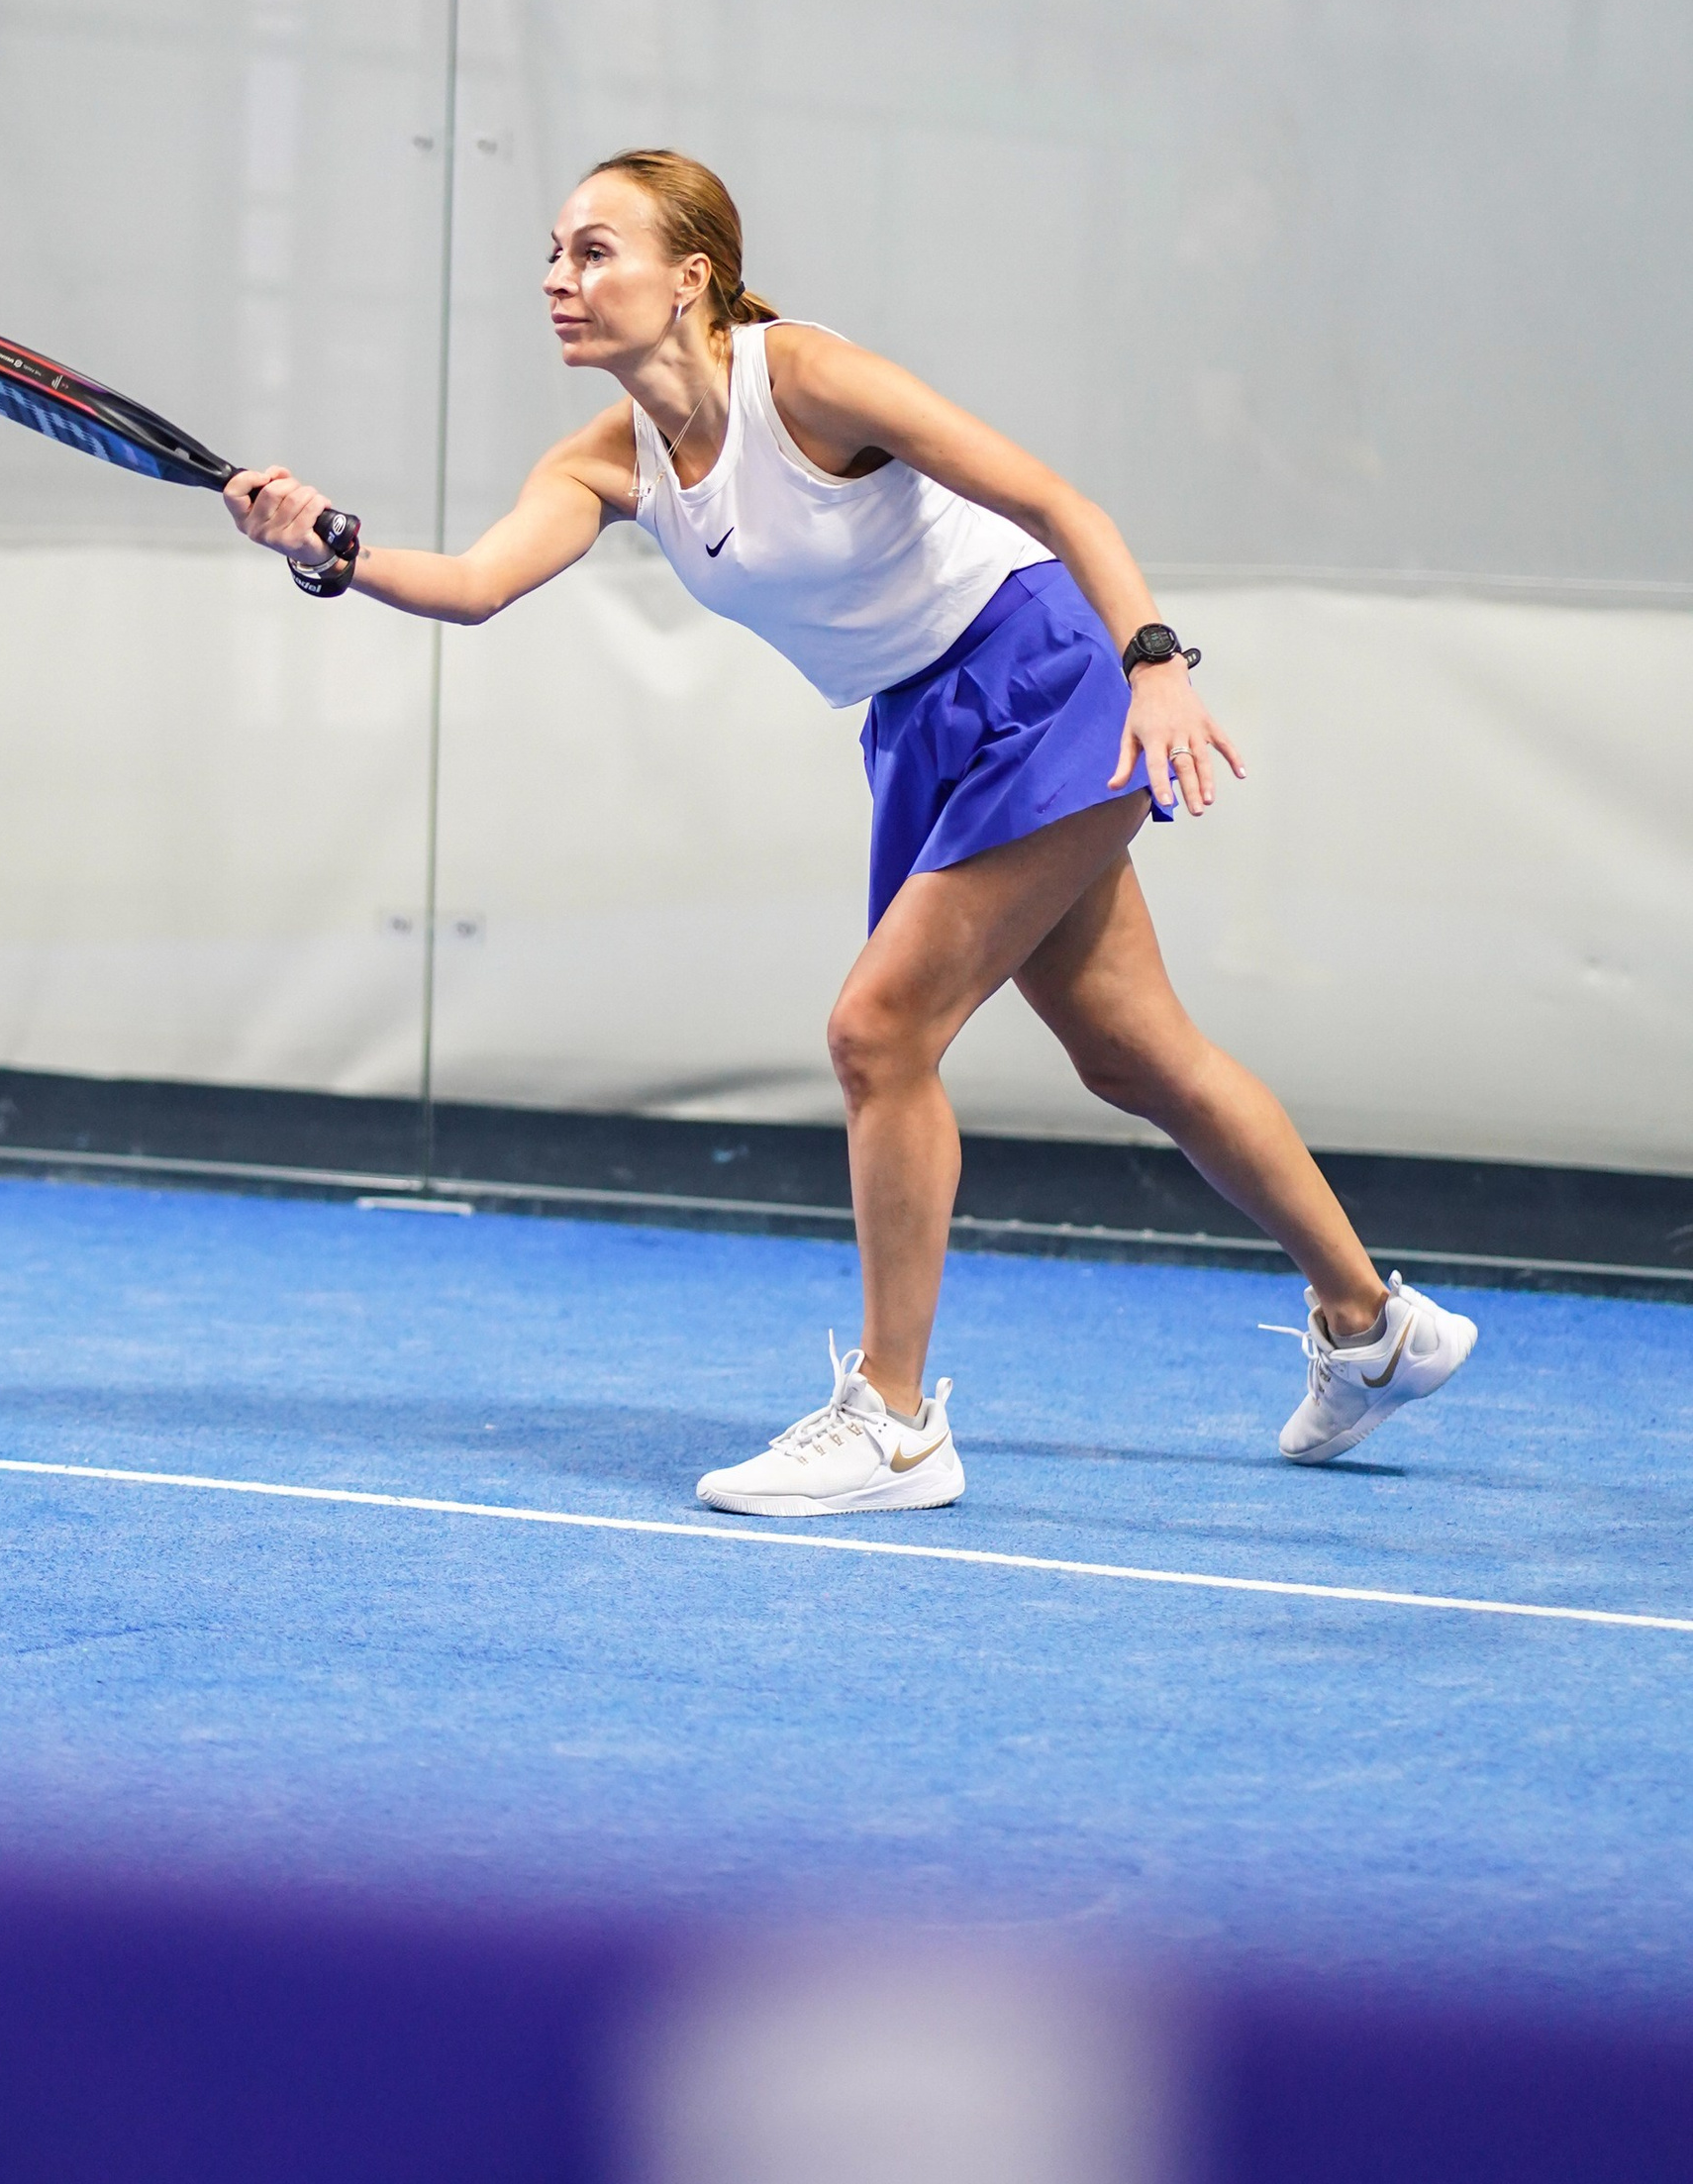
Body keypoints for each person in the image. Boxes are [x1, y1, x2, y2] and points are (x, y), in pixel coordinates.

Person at [224, 149, 1475, 1517]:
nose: (557, 280)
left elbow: (1056, 502)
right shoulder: (605, 459)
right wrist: (326, 548)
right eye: (553, 254)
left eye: (593, 252)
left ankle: (894, 1423)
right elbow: (473, 584)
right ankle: (1373, 1327)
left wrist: (1155, 662)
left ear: (690, 278)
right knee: (1135, 1053)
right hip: (919, 723)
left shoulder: (805, 379)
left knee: (877, 1033)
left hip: (1042, 671)